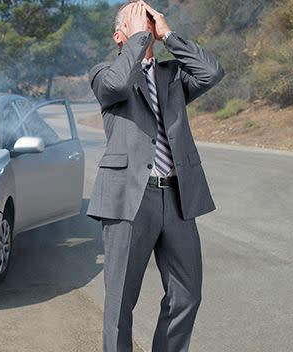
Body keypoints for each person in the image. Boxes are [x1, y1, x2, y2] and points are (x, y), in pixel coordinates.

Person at [85, 1, 224, 351]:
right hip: (130, 198)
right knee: (120, 303)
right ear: (120, 36)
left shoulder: (172, 75)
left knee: (187, 295)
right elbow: (117, 87)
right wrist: (137, 40)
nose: (145, 26)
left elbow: (212, 72)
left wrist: (169, 35)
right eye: (136, 22)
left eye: (149, 20)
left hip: (178, 197)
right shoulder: (104, 73)